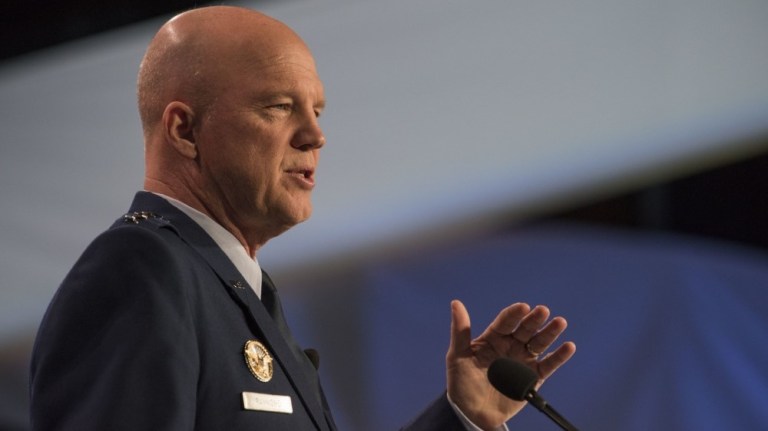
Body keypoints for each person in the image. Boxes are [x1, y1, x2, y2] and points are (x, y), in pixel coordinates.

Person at [29, 6, 576, 430]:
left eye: (315, 110)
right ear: (184, 131)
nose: (315, 135)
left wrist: (462, 416)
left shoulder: (232, 289)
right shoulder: (141, 269)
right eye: (278, 107)